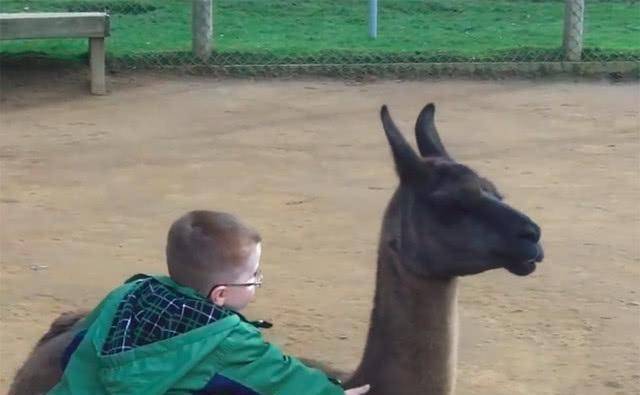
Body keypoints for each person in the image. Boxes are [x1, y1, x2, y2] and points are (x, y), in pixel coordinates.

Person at [48, 210, 370, 395]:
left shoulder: (130, 292)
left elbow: (77, 342)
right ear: (221, 296)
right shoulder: (228, 339)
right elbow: (283, 378)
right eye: (254, 275)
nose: (258, 280)